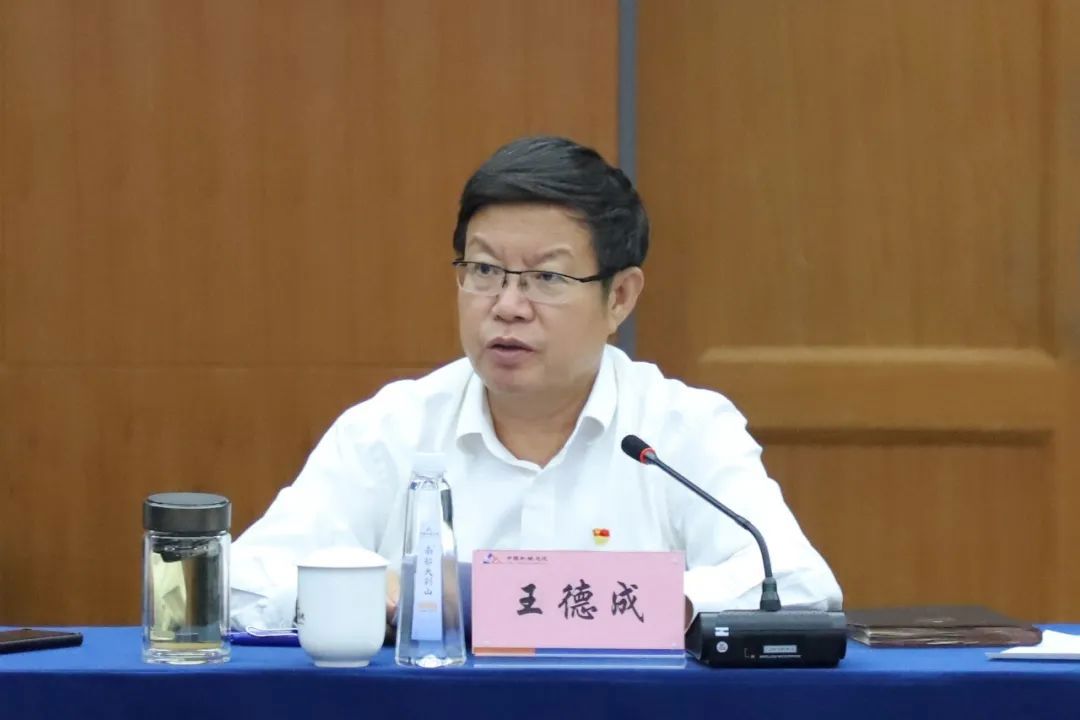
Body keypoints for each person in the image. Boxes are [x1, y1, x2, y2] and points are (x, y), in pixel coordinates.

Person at [229, 136, 842, 633]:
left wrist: (635, 604)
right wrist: (373, 592)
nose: (507, 306)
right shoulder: (392, 429)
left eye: (546, 278)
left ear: (619, 297)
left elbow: (796, 584)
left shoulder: (682, 430)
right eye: (484, 270)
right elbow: (241, 584)